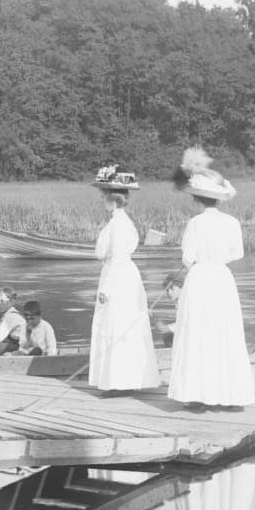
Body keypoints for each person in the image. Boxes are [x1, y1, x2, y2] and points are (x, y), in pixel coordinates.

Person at [165, 146, 255, 410]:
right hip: (222, 280)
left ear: (197, 199)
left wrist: (200, 261)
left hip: (200, 279)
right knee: (224, 332)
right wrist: (218, 259)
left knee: (197, 332)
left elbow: (187, 257)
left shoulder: (195, 224)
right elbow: (237, 253)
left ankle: (197, 395)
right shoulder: (232, 223)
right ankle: (228, 395)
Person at [88, 165, 162, 392]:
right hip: (127, 276)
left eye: (104, 196)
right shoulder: (123, 223)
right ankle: (126, 379)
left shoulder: (115, 225)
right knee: (125, 323)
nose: (102, 200)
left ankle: (118, 382)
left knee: (114, 322)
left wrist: (105, 291)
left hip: (117, 276)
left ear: (112, 200)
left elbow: (107, 255)